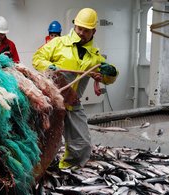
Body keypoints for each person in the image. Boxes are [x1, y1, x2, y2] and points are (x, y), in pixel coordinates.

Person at [32, 8, 118, 170]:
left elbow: (107, 78)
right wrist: (48, 66)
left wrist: (110, 73)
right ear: (75, 26)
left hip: (72, 103)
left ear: (94, 31)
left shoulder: (94, 57)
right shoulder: (58, 43)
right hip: (51, 102)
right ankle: (38, 171)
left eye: (86, 30)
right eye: (79, 29)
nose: (81, 33)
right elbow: (37, 58)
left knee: (82, 144)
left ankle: (69, 170)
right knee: (45, 142)